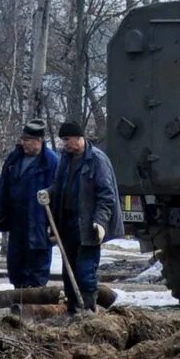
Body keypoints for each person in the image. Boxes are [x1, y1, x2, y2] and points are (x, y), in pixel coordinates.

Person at [46, 119, 120, 311]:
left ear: (80, 138)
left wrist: (100, 222)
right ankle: (72, 309)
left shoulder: (97, 160)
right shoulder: (66, 159)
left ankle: (88, 311)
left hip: (89, 224)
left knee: (85, 270)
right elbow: (60, 186)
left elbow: (106, 195)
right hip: (69, 222)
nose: (65, 143)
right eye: (63, 140)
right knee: (68, 269)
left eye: (67, 139)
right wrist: (49, 193)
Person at [0, 119, 62, 292]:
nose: (23, 143)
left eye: (28, 139)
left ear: (39, 140)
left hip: (39, 223)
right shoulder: (15, 158)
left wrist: (54, 228)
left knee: (37, 267)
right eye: (22, 139)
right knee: (16, 265)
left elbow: (59, 195)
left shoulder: (51, 162)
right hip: (17, 221)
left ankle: (35, 306)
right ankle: (18, 302)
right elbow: (5, 186)